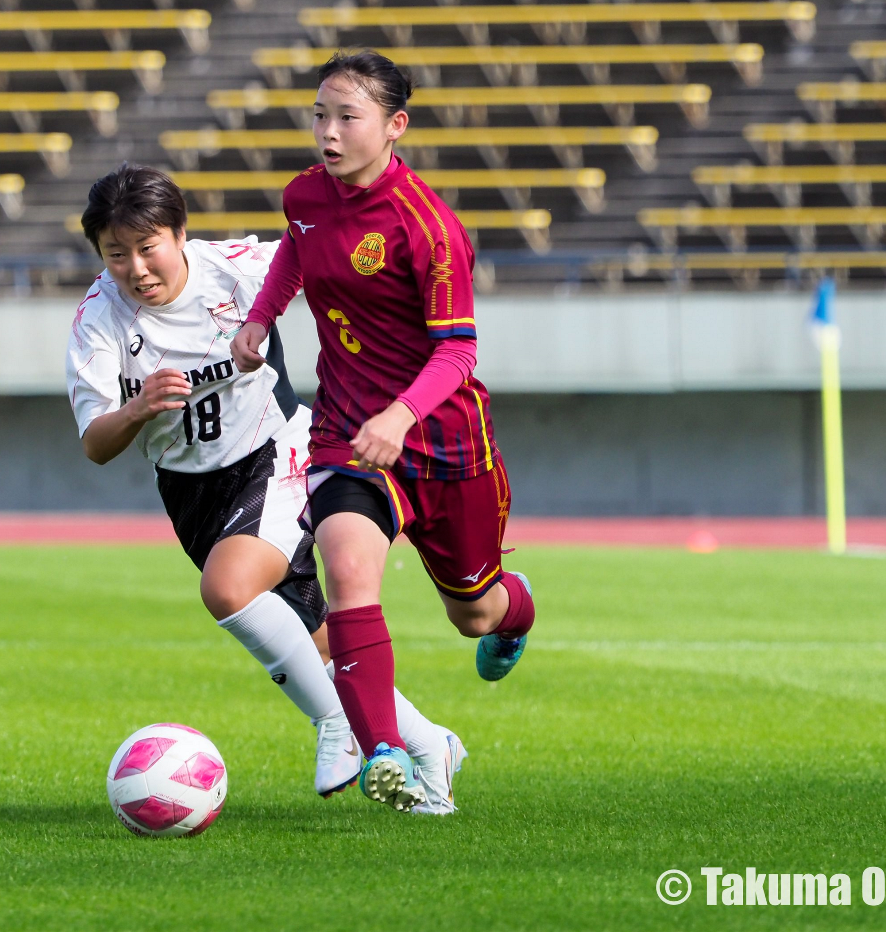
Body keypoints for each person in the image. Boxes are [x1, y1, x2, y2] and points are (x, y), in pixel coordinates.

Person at [66, 163, 464, 812]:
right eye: (116, 255)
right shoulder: (98, 320)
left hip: (278, 454)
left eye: (148, 248)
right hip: (192, 494)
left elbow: (319, 250)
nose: (136, 268)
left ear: (179, 234)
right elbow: (95, 442)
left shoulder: (234, 267)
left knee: (226, 588)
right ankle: (431, 749)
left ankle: (336, 724)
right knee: (319, 645)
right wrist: (137, 410)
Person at [230, 51, 535, 813]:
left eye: (346, 118)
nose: (327, 134)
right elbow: (295, 255)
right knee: (346, 568)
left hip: (444, 441)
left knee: (475, 611)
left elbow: (458, 349)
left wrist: (400, 416)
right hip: (344, 430)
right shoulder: (304, 195)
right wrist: (263, 315)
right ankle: (389, 754)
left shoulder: (426, 226)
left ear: (395, 127)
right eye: (318, 115)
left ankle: (516, 608)